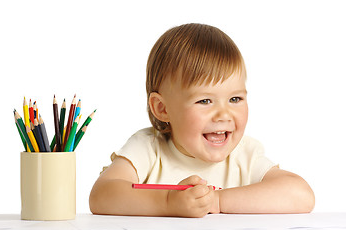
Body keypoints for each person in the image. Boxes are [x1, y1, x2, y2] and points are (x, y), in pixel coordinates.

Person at [89, 23, 315, 217]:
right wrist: (168, 203)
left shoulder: (244, 155)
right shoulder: (148, 148)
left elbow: (301, 195)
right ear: (162, 108)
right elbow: (102, 195)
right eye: (205, 101)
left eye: (235, 98)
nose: (224, 114)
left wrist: (217, 201)